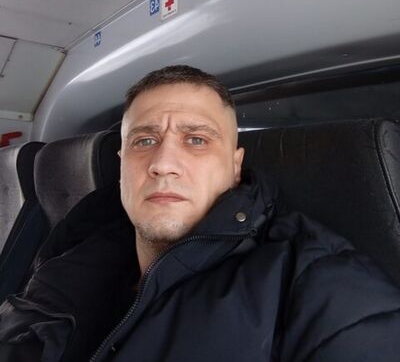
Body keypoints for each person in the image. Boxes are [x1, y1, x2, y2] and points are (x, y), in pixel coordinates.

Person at [1, 64, 400, 361]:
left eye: (196, 140)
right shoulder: (67, 258)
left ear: (235, 166)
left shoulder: (316, 285)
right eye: (144, 140)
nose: (163, 164)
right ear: (122, 164)